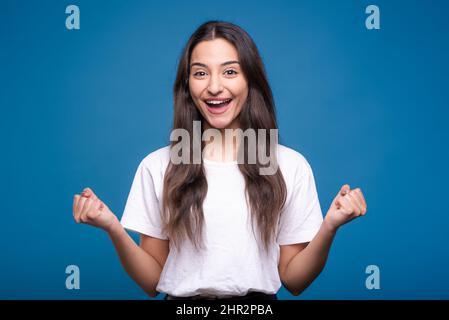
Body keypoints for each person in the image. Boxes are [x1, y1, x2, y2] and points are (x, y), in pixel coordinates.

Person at [72, 21, 367, 300]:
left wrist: (330, 226)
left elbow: (294, 279)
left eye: (229, 72)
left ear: (250, 80)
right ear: (187, 85)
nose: (214, 87)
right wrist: (112, 226)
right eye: (200, 73)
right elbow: (152, 281)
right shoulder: (159, 166)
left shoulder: (288, 165)